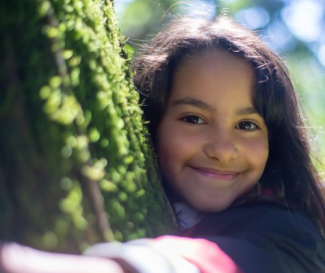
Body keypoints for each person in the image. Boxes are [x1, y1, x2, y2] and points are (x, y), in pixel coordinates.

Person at [1, 16, 325, 273]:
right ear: (152, 121)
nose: (222, 149)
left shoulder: (294, 233)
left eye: (247, 125)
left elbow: (224, 262)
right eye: (194, 119)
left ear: (274, 140)